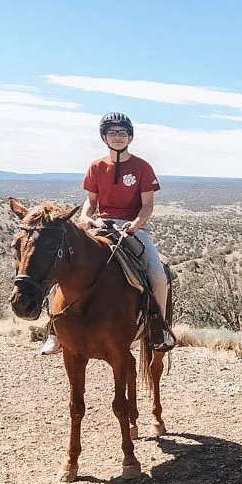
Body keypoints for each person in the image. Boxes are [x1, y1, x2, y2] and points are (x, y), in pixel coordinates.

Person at [40, 112, 173, 354]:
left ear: (130, 137)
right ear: (104, 137)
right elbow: (91, 202)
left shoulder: (143, 167)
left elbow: (147, 206)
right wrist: (85, 218)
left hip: (133, 228)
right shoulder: (96, 166)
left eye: (122, 133)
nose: (118, 137)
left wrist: (134, 224)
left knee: (157, 274)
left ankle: (159, 328)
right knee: (59, 268)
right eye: (112, 132)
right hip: (101, 224)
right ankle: (54, 330)